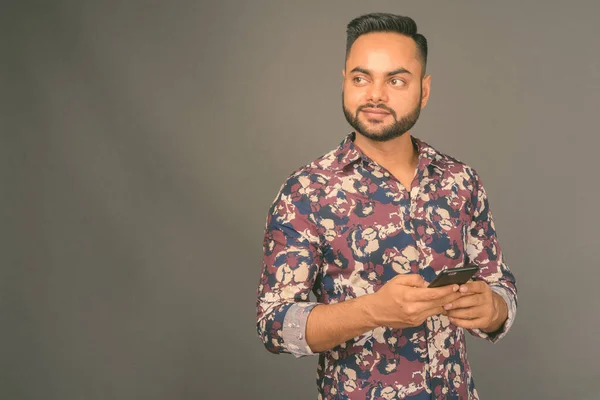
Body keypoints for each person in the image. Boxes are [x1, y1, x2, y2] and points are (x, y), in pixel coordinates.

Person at [256, 12, 517, 400]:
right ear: (344, 81)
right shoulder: (307, 191)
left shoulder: (461, 181)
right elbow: (274, 325)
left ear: (424, 91)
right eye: (361, 78)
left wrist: (494, 309)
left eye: (396, 81)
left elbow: (501, 287)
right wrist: (373, 310)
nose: (375, 95)